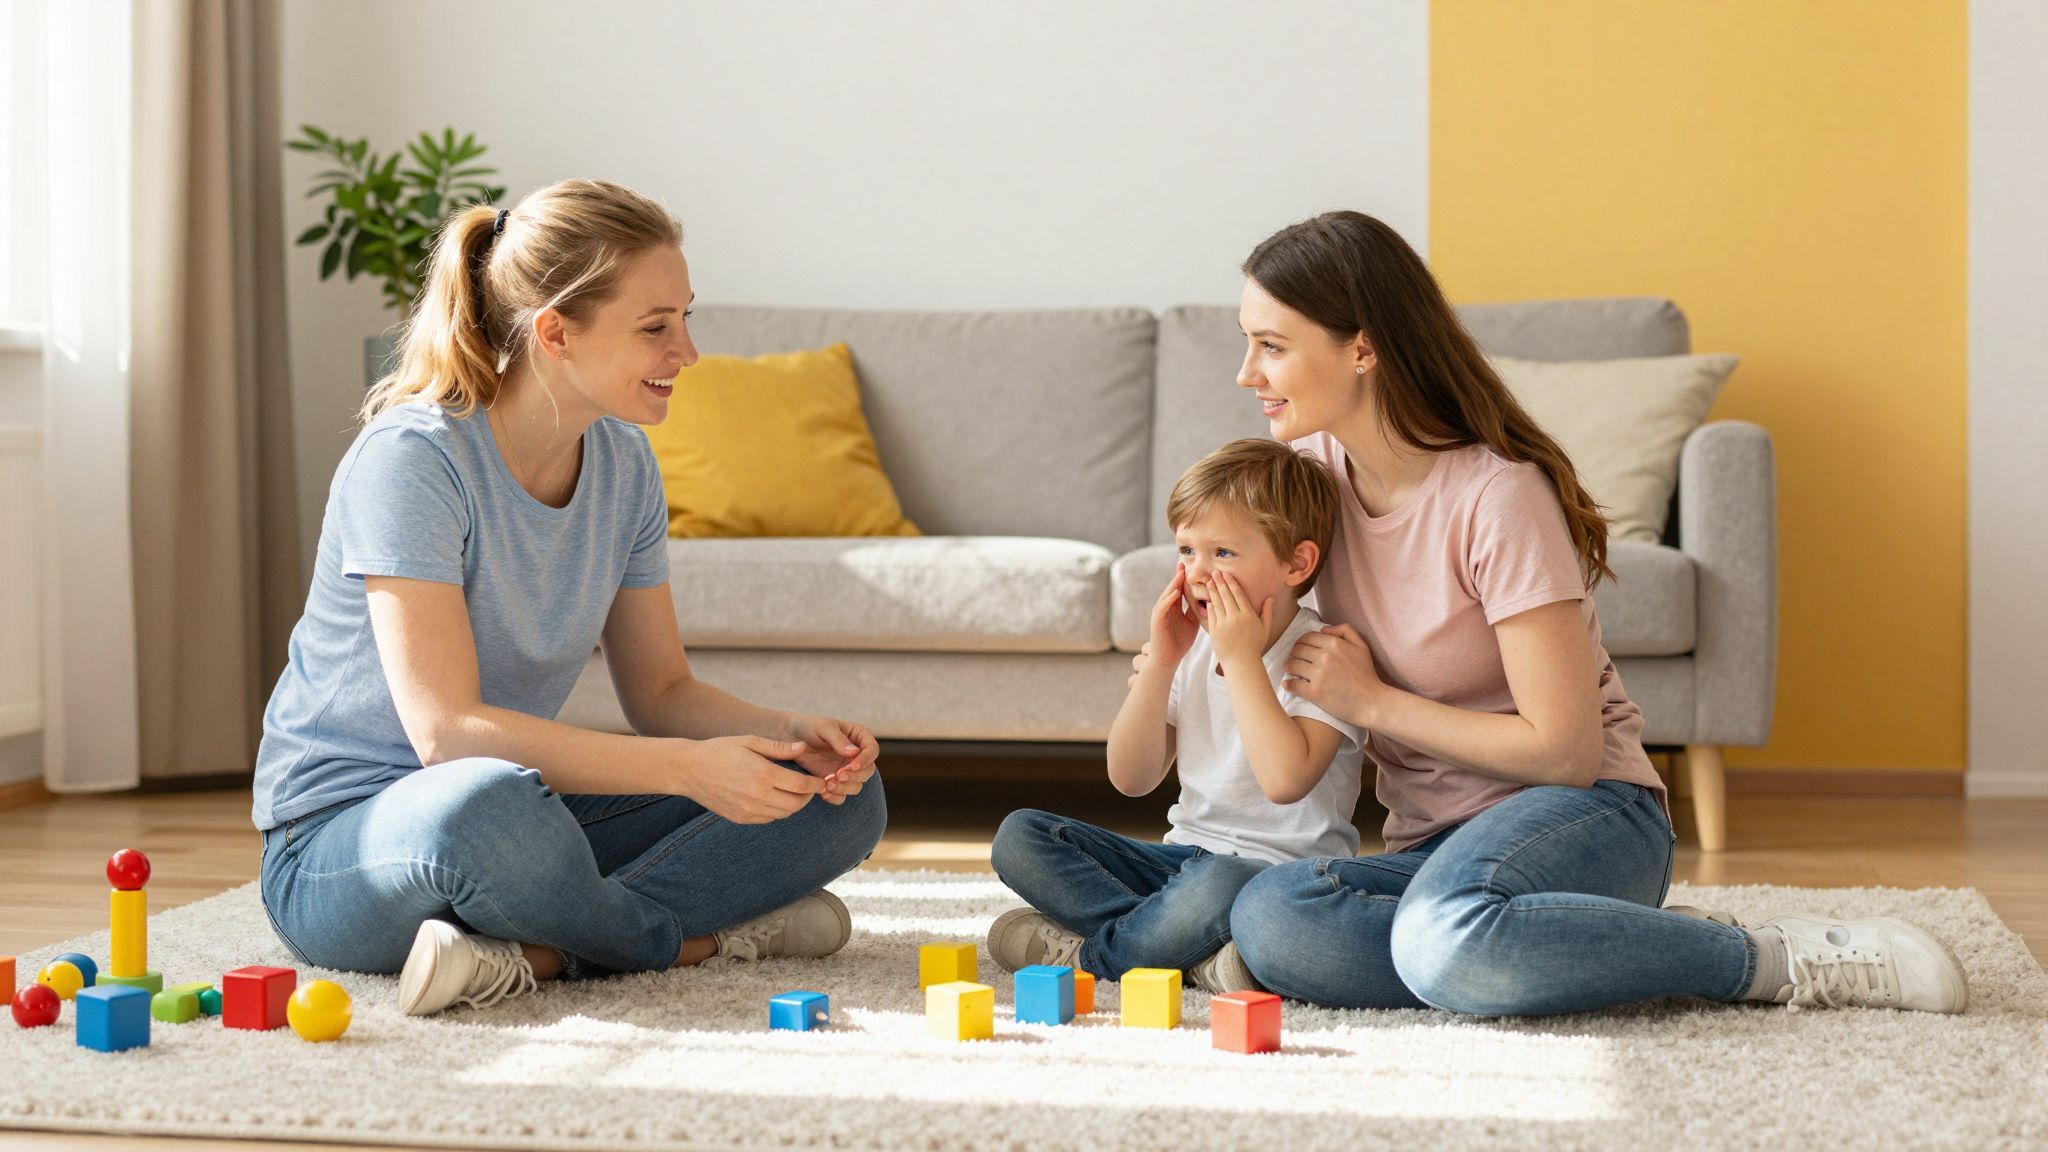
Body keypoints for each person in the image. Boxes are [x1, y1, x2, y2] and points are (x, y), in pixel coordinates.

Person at [1223, 210, 1966, 1015]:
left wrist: (1372, 704)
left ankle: (1766, 956)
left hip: (1588, 816)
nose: (1246, 374)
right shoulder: (1310, 479)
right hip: (1439, 851)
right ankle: (1574, 940)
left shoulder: (1496, 496)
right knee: (1272, 916)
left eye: (1272, 346)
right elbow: (1223, 562)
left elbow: (1565, 752)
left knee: (1442, 943)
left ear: (1362, 348)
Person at [252, 179, 886, 1017]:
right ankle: (687, 940)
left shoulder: (623, 465)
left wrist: (786, 736)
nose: (687, 352)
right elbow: (446, 735)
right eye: (656, 327)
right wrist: (687, 773)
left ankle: (532, 952)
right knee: (487, 810)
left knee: (836, 802)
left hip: (528, 811)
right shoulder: (414, 459)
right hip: (347, 842)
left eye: (685, 317)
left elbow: (660, 692)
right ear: (555, 332)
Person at [986, 439, 1366, 994]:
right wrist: (1163, 661)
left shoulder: (1324, 656)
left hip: (1274, 879)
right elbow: (1131, 779)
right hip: (1181, 864)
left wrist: (1241, 660)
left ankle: (1099, 956)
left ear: (1296, 562)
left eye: (1224, 553)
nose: (1198, 572)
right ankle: (1187, 953)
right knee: (1019, 835)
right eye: (1187, 551)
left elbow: (1285, 782)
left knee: (1218, 883)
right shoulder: (1191, 647)